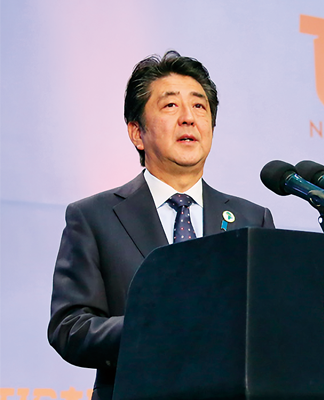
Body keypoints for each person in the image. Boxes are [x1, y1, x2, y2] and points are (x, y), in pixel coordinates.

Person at [47, 51, 275, 400]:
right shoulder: (93, 217)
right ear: (137, 132)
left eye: (200, 107)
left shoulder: (252, 219)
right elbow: (70, 327)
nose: (189, 118)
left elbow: (271, 324)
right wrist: (157, 328)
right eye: (170, 106)